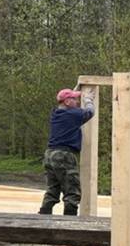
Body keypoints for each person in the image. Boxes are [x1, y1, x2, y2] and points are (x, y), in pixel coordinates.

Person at [39, 88, 95, 216]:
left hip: (49, 155)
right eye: (75, 99)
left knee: (52, 191)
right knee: (72, 192)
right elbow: (90, 112)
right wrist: (88, 99)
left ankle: (42, 220)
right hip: (64, 155)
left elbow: (67, 102)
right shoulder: (73, 114)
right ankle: (70, 224)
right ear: (68, 102)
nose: (78, 102)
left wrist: (75, 91)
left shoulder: (55, 113)